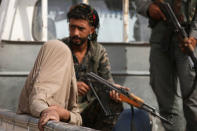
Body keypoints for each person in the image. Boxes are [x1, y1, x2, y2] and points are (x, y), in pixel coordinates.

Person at [134, 0, 197, 131]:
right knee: (165, 99)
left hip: (188, 36)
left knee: (193, 99)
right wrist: (148, 7)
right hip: (161, 37)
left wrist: (195, 36)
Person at [61, 3, 123, 131]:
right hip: (62, 108)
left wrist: (114, 91)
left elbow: (107, 82)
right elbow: (46, 83)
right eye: (72, 27)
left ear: (91, 30)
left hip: (88, 110)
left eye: (80, 28)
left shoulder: (98, 52)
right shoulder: (59, 48)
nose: (75, 33)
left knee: (114, 104)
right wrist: (72, 86)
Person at [17, 40, 82, 131]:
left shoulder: (66, 80)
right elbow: (36, 101)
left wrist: (64, 114)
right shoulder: (39, 84)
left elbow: (77, 117)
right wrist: (48, 111)